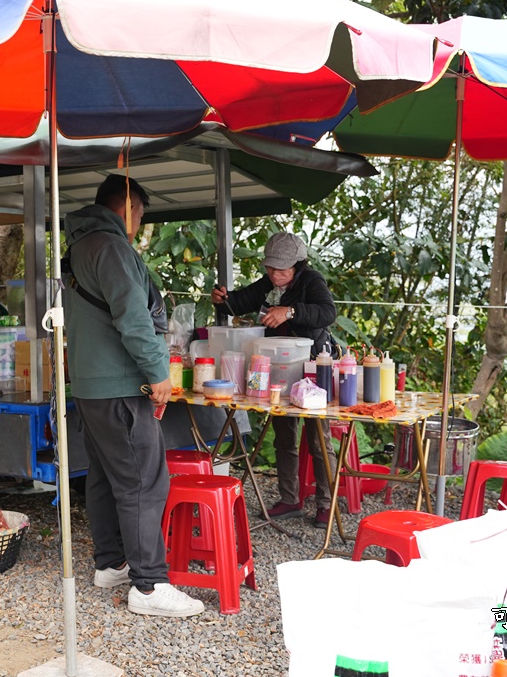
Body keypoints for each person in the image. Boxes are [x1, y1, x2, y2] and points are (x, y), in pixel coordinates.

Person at [63, 174, 204, 617]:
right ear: (127, 205)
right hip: (121, 385)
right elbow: (134, 318)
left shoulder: (79, 246)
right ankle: (149, 586)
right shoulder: (111, 246)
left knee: (106, 476)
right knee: (144, 481)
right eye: (142, 213)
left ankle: (112, 563)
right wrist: (158, 373)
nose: (142, 222)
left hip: (90, 385)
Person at [211, 232, 338, 527]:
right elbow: (238, 303)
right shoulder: (269, 284)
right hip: (278, 370)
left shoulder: (312, 281)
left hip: (311, 369)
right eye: (270, 268)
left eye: (281, 269)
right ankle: (289, 498)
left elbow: (327, 312)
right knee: (284, 437)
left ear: (298, 266)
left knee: (319, 440)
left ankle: (326, 503)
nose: (274, 274)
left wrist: (290, 312)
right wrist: (222, 299)